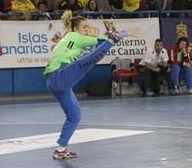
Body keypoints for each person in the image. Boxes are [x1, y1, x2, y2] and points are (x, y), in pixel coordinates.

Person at [44, 11, 129, 159]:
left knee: (74, 114)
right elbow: (103, 42)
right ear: (76, 29)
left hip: (54, 81)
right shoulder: (77, 37)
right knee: (88, 61)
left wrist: (112, 34)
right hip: (60, 76)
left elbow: (103, 41)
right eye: (84, 27)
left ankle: (61, 149)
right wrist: (121, 33)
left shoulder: (69, 37)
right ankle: (61, 149)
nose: (87, 30)